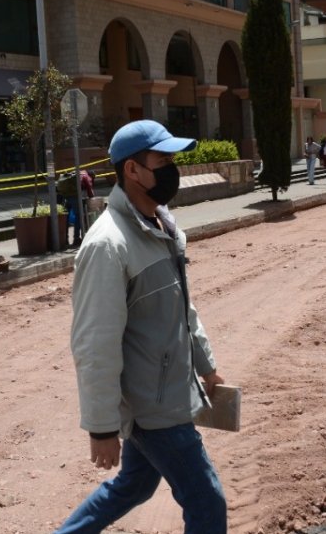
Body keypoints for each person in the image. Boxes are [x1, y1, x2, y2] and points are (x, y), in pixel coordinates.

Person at [59, 119, 226, 534]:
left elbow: (183, 310)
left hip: (166, 389)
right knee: (208, 503)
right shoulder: (107, 245)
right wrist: (101, 426)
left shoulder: (161, 225)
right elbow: (94, 343)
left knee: (133, 486)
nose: (173, 168)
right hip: (154, 408)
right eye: (163, 160)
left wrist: (205, 365)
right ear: (131, 170)